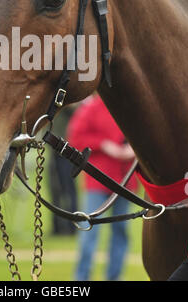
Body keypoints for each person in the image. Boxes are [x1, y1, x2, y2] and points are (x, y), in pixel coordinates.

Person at [67, 95, 137, 281]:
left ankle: (114, 277)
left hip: (125, 180)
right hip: (98, 180)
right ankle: (81, 279)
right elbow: (75, 137)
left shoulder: (130, 105)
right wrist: (104, 145)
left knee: (120, 231)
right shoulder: (92, 107)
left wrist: (133, 148)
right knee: (89, 230)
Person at [48, 105, 78, 235]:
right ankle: (57, 227)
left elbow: (74, 109)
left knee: (68, 190)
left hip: (67, 151)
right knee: (55, 189)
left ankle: (72, 226)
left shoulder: (71, 102)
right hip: (54, 150)